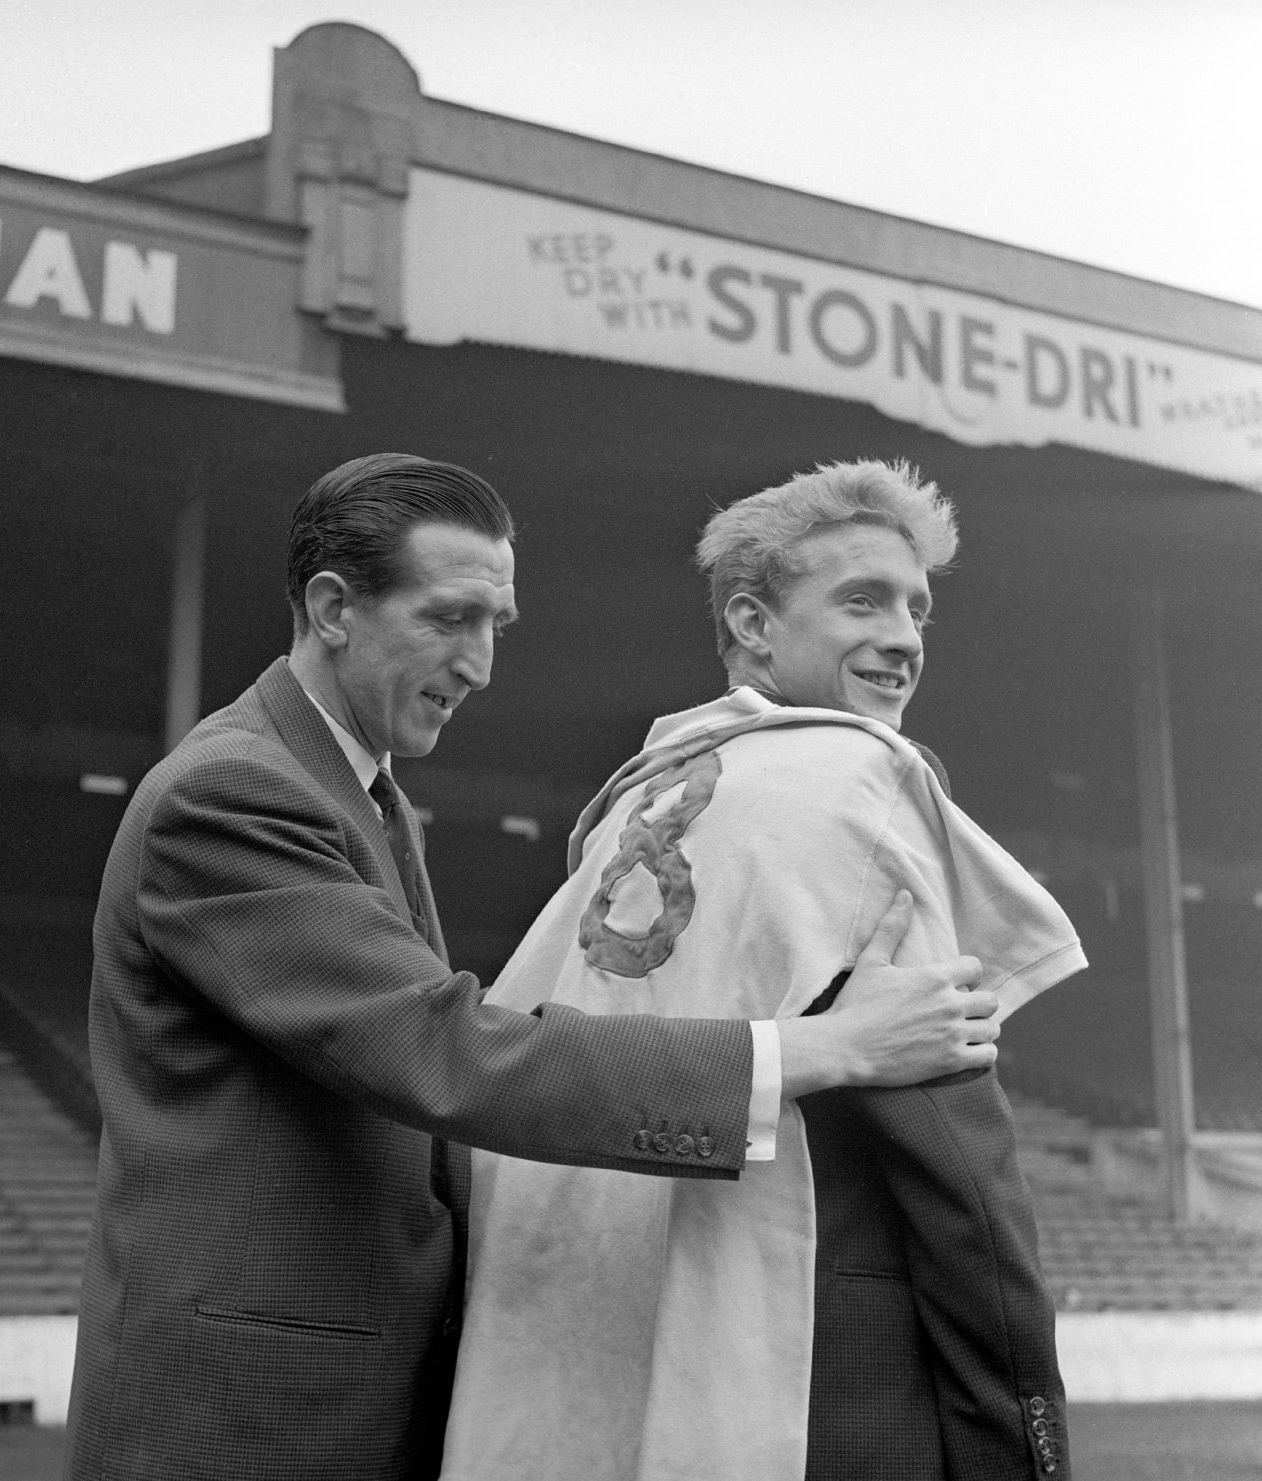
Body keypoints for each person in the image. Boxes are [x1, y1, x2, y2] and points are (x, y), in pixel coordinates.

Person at [63, 453, 1002, 1481]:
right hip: (251, 1411)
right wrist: (807, 1050)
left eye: (496, 626)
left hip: (336, 1387)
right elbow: (441, 1048)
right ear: (333, 606)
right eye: (450, 618)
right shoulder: (236, 794)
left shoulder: (361, 796)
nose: (480, 664)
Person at [441, 460, 1084, 1481]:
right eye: (862, 599)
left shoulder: (625, 808)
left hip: (575, 1347)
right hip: (812, 1375)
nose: (907, 637)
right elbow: (958, 1159)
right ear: (751, 622)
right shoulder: (860, 781)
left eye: (918, 608)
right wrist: (1022, 1439)